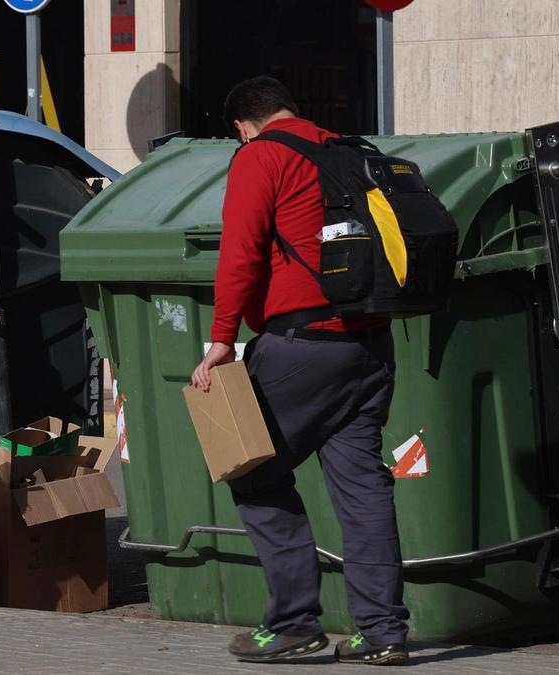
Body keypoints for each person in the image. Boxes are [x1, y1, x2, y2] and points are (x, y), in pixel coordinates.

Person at [191, 76, 410, 666]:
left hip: (302, 343)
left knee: (253, 470)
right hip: (369, 344)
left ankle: (293, 624)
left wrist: (220, 339)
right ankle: (382, 632)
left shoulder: (262, 155)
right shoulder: (350, 151)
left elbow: (240, 250)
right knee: (363, 491)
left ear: (242, 124)